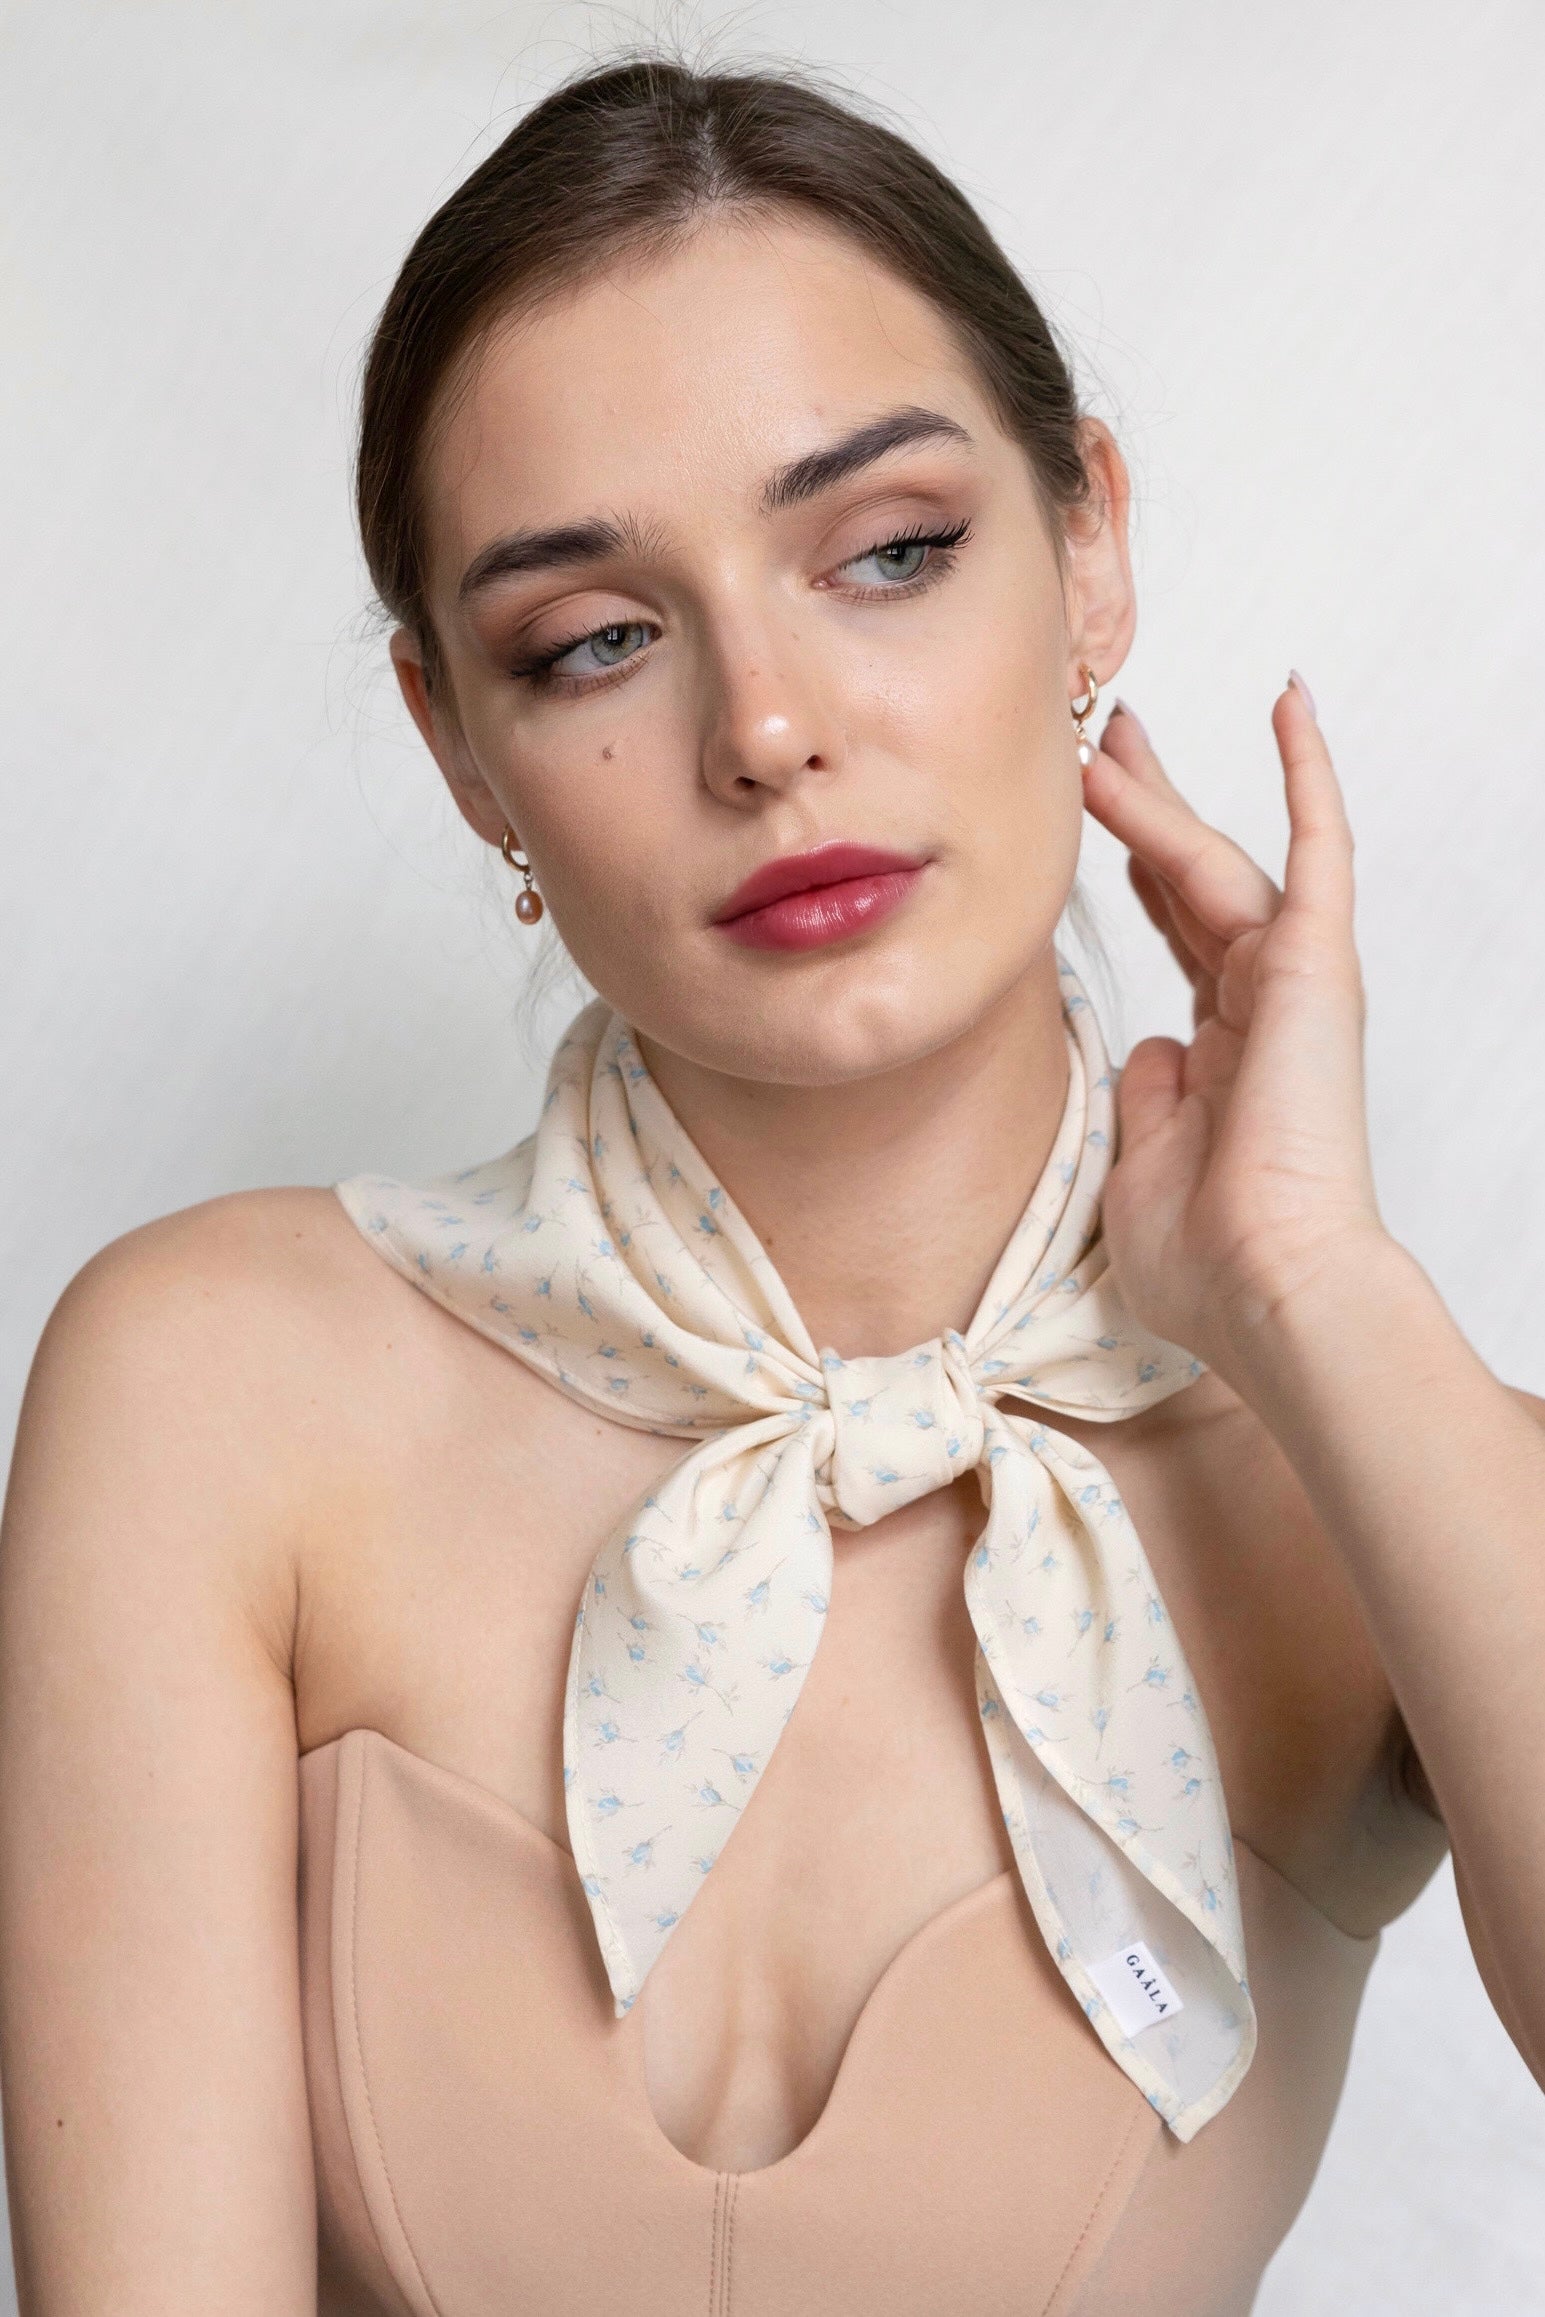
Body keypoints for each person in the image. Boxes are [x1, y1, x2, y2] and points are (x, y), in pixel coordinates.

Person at [2, 51, 1541, 2317]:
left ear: (1088, 551)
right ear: (460, 749)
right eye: (593, 640)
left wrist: (1316, 1285)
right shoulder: (216, 1392)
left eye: (887, 552)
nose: (764, 726)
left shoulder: (1375, 1479)